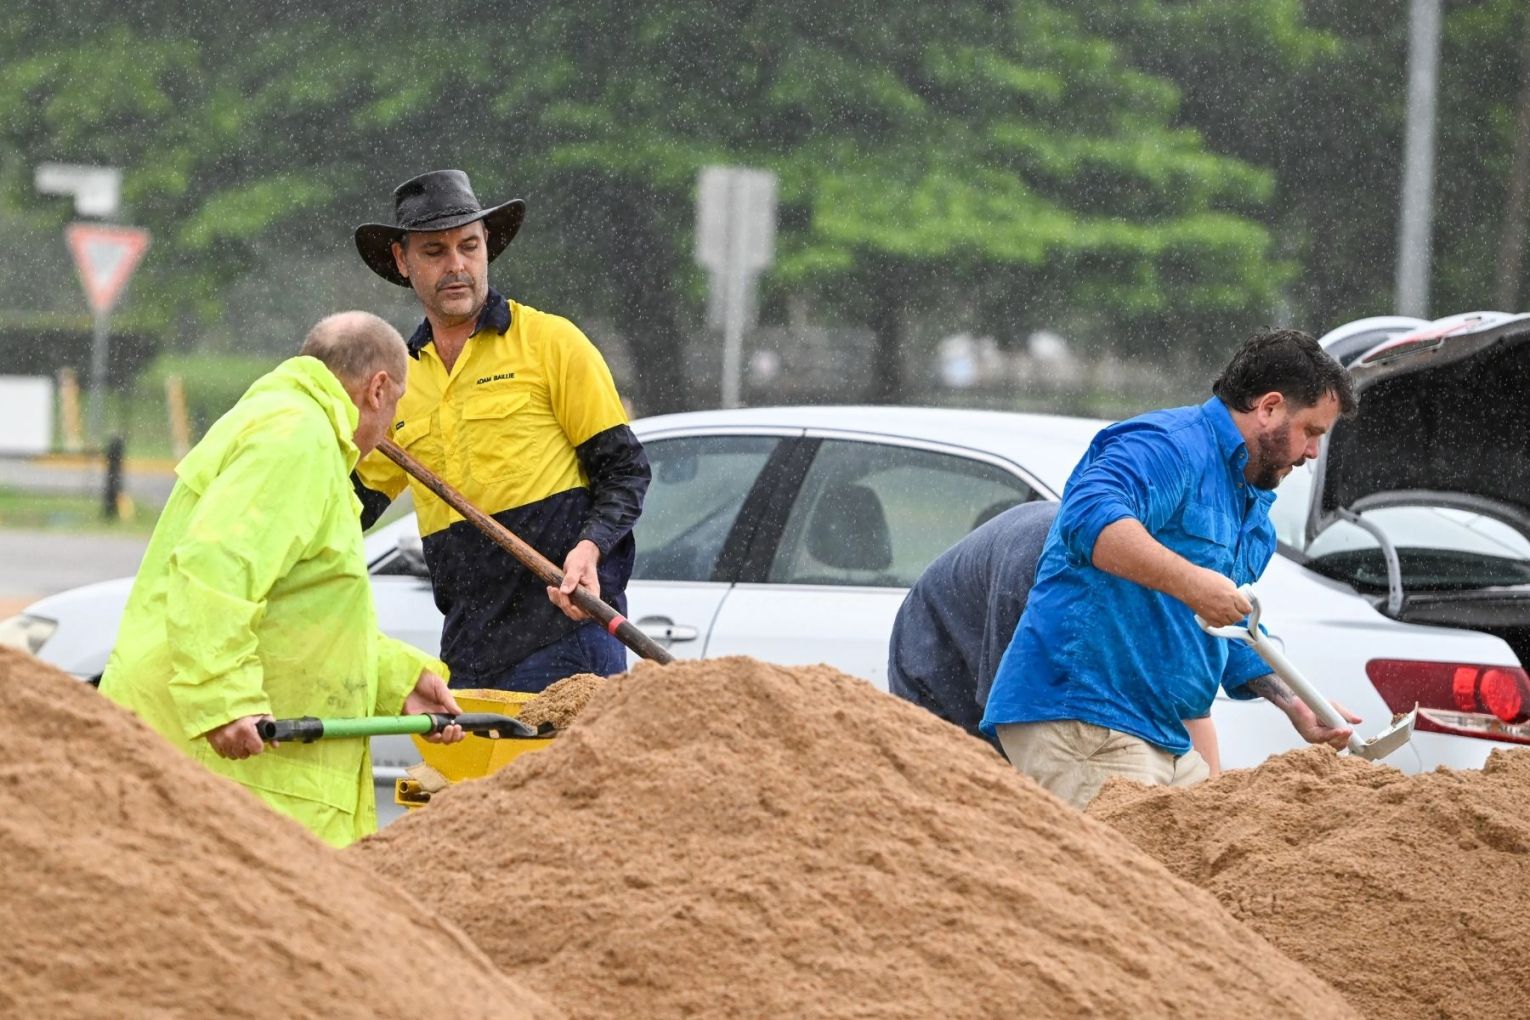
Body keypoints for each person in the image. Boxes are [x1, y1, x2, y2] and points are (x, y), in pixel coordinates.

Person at [100, 312, 463, 847]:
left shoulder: (293, 432)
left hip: (241, 773)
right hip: (230, 773)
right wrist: (223, 698)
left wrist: (396, 680)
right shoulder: (298, 439)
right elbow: (216, 565)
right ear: (378, 389)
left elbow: (299, 611)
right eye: (396, 408)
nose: (389, 430)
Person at [981, 329, 1360, 809]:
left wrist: (1294, 699)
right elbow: (1086, 517)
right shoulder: (1168, 446)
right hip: (1086, 718)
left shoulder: (1250, 507)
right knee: (1125, 884)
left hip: (1164, 735)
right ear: (1268, 407)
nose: (1311, 454)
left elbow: (1229, 624)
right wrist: (1194, 583)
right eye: (1312, 432)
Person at [351, 169, 650, 692]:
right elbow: (350, 509)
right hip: (468, 652)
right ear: (402, 261)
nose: (456, 265)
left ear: (487, 244)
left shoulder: (552, 343)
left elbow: (625, 472)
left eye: (469, 245)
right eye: (434, 252)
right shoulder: (397, 380)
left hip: (569, 640)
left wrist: (589, 548)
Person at [889, 500, 1222, 774]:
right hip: (938, 660)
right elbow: (1014, 714)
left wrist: (1209, 802)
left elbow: (1191, 706)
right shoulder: (1037, 578)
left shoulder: (1152, 584)